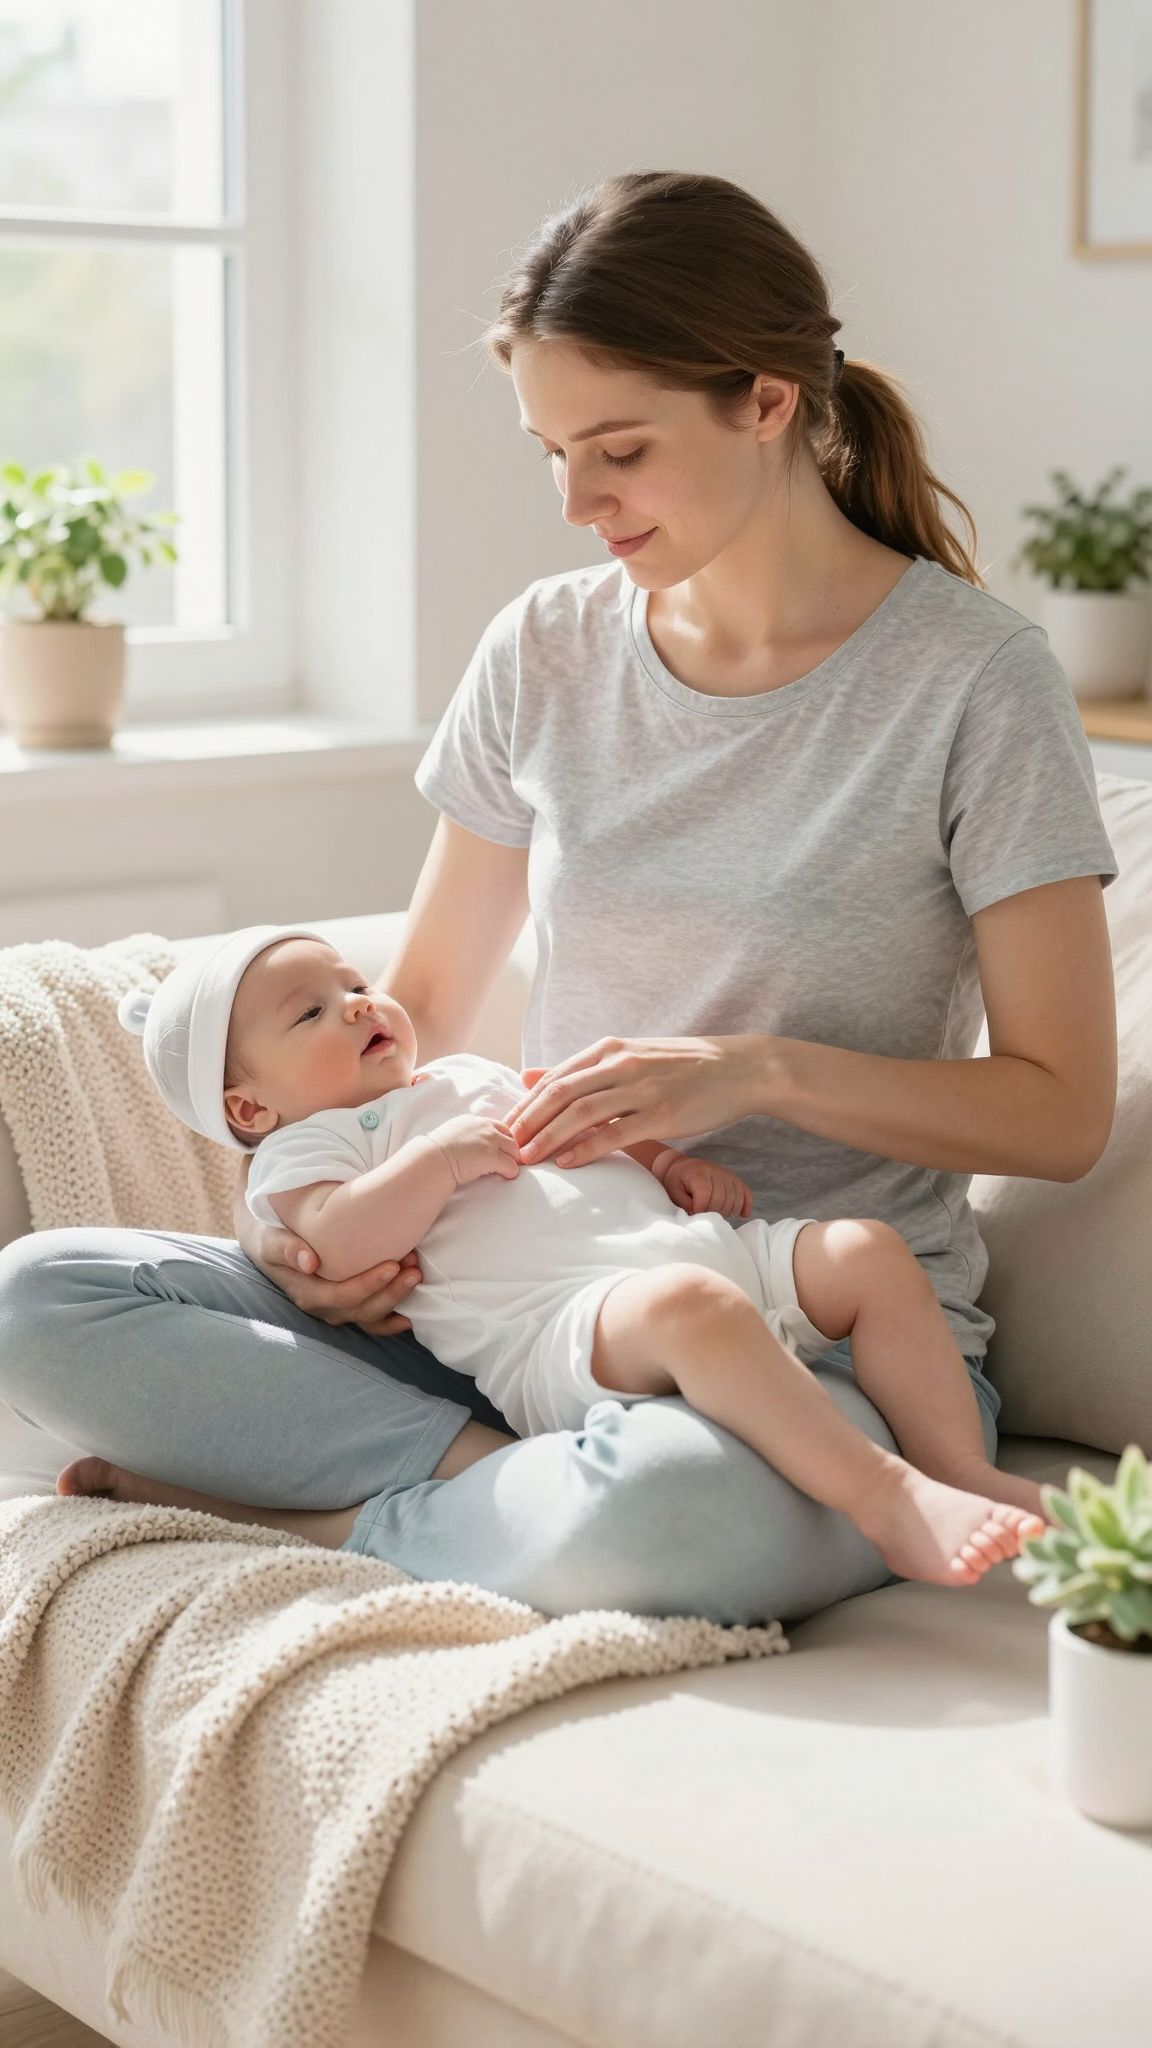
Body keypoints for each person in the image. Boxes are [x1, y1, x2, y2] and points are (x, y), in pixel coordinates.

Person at [0, 168, 1118, 1628]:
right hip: (504, 1298)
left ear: (768, 402)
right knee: (43, 1297)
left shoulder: (974, 682)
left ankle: (326, 1506)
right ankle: (475, 1475)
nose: (580, 504)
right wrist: (328, 1244)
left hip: (802, 1324)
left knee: (674, 1509)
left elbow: (1062, 1108)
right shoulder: (545, 649)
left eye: (620, 451)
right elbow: (424, 1015)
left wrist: (757, 1075)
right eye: (550, 452)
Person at [75, 924, 1047, 1589]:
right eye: (311, 1014)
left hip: (710, 1251)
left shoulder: (461, 1074)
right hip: (568, 1326)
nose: (360, 1005)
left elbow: (587, 1130)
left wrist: (668, 1160)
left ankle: (957, 1464)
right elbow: (330, 1241)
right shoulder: (308, 1149)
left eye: (355, 986)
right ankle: (886, 1493)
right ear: (249, 1108)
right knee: (690, 1311)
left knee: (867, 1250)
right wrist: (432, 1163)